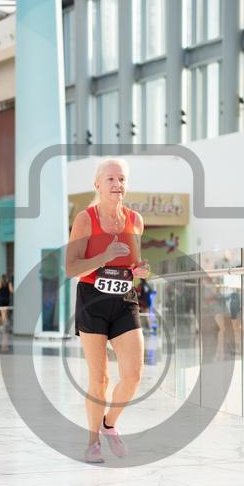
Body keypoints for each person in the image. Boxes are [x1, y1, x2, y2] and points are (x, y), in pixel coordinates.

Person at [66, 157, 150, 463]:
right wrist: (103, 256)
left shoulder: (135, 220)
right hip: (92, 299)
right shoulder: (85, 219)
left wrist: (140, 270)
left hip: (124, 298)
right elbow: (71, 268)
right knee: (99, 378)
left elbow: (133, 263)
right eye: (111, 179)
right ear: (98, 184)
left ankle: (109, 424)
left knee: (133, 375)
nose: (117, 184)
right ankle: (92, 443)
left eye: (122, 179)